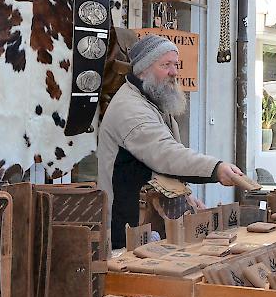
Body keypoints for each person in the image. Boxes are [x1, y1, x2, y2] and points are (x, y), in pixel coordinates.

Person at [98, 34, 244, 249]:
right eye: (165, 65)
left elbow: (164, 166)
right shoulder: (130, 109)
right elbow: (167, 155)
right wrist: (216, 169)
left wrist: (186, 198)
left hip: (150, 220)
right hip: (127, 226)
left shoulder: (151, 101)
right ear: (143, 69)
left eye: (176, 65)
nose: (174, 72)